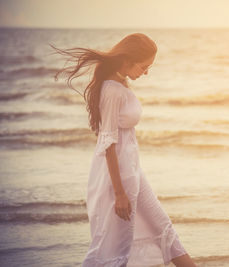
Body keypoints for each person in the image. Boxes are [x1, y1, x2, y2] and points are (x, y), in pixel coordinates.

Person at [50, 33, 197, 267]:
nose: (147, 72)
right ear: (127, 61)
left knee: (163, 227)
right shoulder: (111, 90)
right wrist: (119, 193)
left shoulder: (120, 83)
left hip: (134, 170)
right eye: (145, 66)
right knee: (116, 249)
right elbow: (108, 143)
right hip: (119, 177)